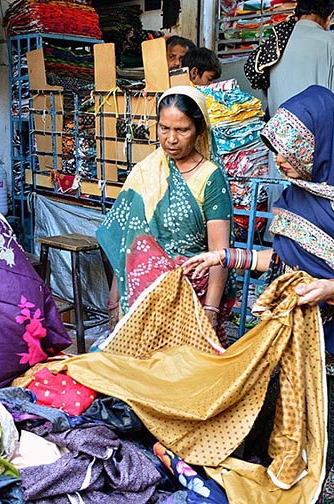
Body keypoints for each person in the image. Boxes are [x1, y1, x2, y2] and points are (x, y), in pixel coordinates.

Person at [183, 85, 334, 502]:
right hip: (289, 342)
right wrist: (222, 256)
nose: (279, 161)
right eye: (277, 150)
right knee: (276, 438)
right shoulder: (293, 199)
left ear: (318, 144)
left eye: (288, 152)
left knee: (325, 452)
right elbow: (280, 263)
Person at [97, 85, 235, 345]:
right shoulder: (145, 172)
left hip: (192, 297)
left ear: (199, 130)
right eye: (164, 128)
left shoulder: (210, 177)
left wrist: (211, 312)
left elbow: (220, 253)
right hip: (142, 298)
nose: (171, 138)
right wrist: (115, 300)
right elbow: (127, 243)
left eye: (182, 130)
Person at [260, 0, 334, 119]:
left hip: (278, 131)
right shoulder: (328, 40)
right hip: (312, 131)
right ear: (329, 16)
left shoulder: (277, 42)